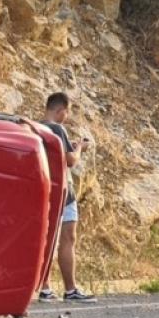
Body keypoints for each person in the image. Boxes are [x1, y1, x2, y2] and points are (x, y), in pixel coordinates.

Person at [38, 92, 96, 303]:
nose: (67, 116)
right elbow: (71, 160)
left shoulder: (38, 128)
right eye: (67, 112)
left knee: (48, 241)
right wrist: (80, 147)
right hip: (64, 192)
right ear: (61, 109)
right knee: (67, 239)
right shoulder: (56, 128)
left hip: (48, 190)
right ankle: (70, 289)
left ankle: (45, 287)